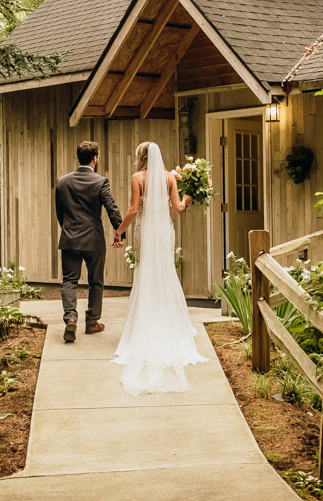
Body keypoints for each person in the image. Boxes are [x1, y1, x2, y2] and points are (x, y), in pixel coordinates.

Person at [112, 140, 208, 393]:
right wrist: (188, 199)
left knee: (145, 274)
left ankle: (146, 322)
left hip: (145, 231)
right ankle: (167, 324)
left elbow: (133, 210)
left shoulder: (137, 178)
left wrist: (119, 231)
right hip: (164, 232)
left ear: (140, 157)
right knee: (165, 273)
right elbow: (176, 208)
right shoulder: (169, 178)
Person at [53, 139, 122, 344]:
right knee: (96, 282)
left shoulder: (63, 181)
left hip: (70, 238)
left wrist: (68, 229)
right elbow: (111, 208)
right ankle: (92, 323)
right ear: (95, 159)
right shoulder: (100, 182)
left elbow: (60, 212)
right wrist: (120, 231)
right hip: (93, 240)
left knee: (69, 281)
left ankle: (70, 318)